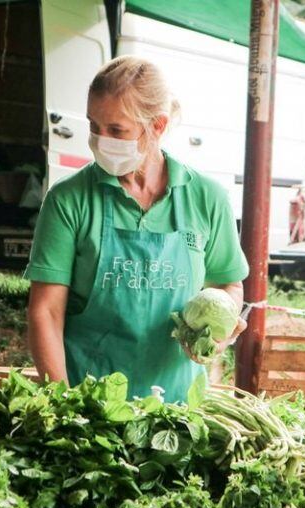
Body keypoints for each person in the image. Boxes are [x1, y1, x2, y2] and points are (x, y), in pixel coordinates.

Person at [24, 56, 249, 403]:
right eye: (93, 126)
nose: (100, 140)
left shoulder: (206, 198)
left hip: (180, 407)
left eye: (116, 130)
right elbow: (45, 311)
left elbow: (227, 283)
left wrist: (218, 330)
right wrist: (63, 404)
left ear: (157, 126)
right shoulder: (68, 200)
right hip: (90, 401)